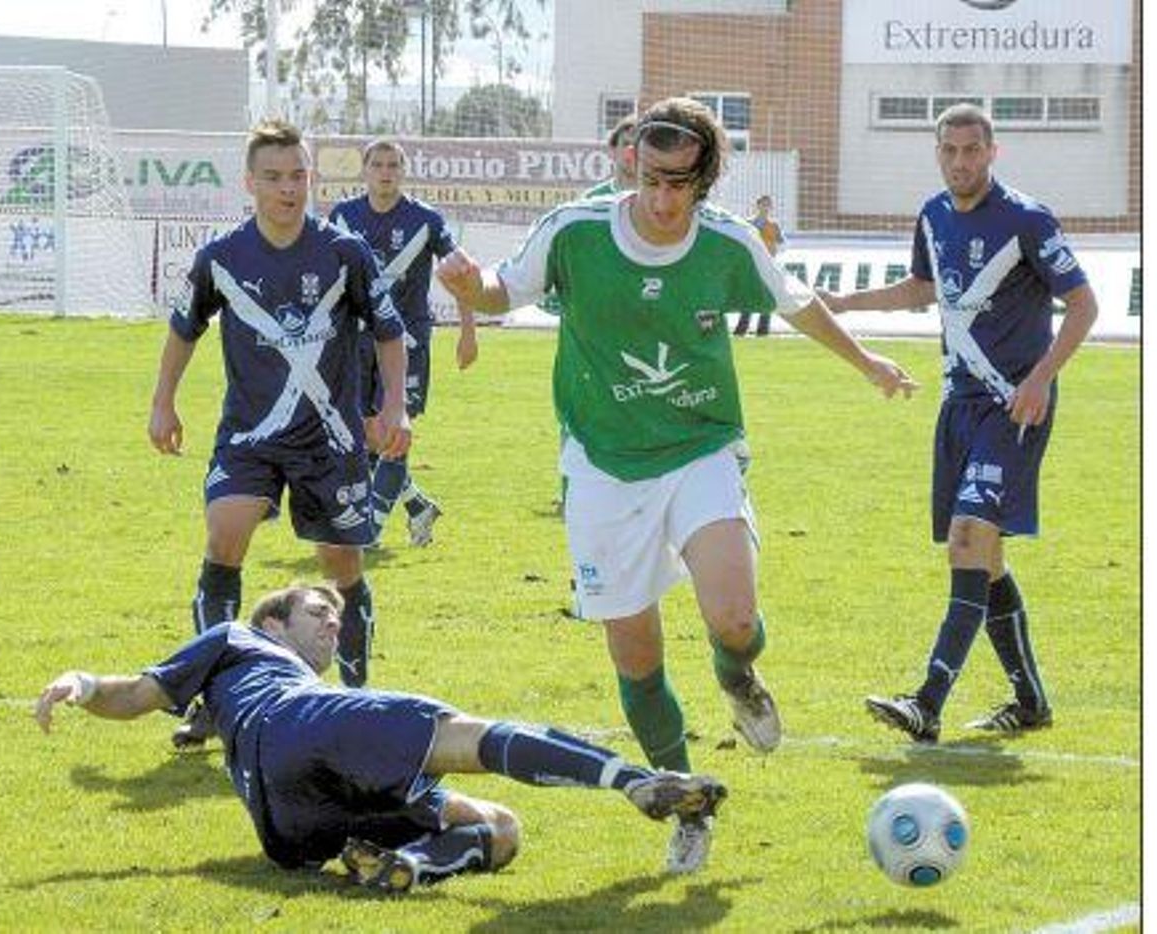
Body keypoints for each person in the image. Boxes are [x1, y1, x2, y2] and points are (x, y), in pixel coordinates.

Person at [436, 96, 918, 873]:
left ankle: (738, 674)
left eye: (681, 186)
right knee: (636, 656)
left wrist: (867, 363)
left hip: (701, 448)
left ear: (705, 183)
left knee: (732, 616)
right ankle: (685, 797)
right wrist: (469, 285)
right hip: (601, 464)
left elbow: (798, 303)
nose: (663, 200)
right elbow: (504, 289)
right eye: (652, 180)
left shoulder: (726, 244)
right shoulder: (577, 231)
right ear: (631, 163)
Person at [34, 583, 727, 889]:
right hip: (296, 730)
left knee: (501, 828)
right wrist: (82, 683)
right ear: (273, 624)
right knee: (472, 739)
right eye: (316, 612)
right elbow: (136, 695)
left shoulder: (310, 686)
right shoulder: (238, 639)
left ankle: (409, 867)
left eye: (337, 619)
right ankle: (633, 782)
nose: (333, 624)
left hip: (291, 830)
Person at [819, 103, 1098, 743]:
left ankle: (928, 700)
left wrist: (1041, 378)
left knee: (967, 540)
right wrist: (843, 303)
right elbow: (923, 288)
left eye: (973, 151)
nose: (961, 162)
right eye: (950, 151)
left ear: (992, 152)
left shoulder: (1028, 218)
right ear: (938, 153)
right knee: (986, 560)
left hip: (1013, 407)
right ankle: (1030, 703)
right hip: (958, 407)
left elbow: (1084, 305)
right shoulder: (933, 214)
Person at [148, 119, 409, 735]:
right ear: (250, 183)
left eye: (298, 175)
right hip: (251, 436)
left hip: (331, 439)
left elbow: (390, 332)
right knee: (225, 533)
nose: (288, 189)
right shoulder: (221, 259)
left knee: (342, 565)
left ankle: (356, 696)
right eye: (274, 178)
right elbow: (184, 330)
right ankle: (216, 700)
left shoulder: (345, 253)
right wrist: (163, 402)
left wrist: (393, 406)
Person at [329, 139, 469, 552]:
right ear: (366, 170)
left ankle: (368, 530)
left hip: (407, 342)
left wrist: (468, 329)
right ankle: (418, 507)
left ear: (402, 171)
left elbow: (458, 267)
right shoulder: (344, 215)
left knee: (394, 432)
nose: (386, 172)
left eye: (393, 165)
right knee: (369, 437)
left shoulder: (425, 219)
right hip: (357, 342)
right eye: (378, 164)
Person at [733, 195, 786, 337]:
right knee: (748, 298)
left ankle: (763, 331)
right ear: (758, 206)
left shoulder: (774, 225)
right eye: (763, 204)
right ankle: (741, 330)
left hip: (768, 266)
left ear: (771, 208)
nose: (766, 208)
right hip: (751, 266)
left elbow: (781, 243)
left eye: (768, 205)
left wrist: (774, 256)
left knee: (767, 298)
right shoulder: (747, 223)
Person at [583, 113, 638, 197]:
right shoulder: (593, 198)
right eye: (626, 144)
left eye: (637, 145)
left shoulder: (656, 200)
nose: (631, 150)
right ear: (613, 150)